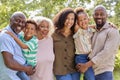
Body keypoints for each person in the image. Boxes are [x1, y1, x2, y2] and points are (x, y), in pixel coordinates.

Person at [76, 5, 120, 80]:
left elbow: (107, 52)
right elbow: (83, 26)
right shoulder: (92, 31)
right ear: (93, 16)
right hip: (90, 71)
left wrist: (86, 65)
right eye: (96, 14)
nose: (99, 16)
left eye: (102, 14)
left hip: (104, 72)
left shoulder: (112, 31)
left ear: (106, 15)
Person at [0, 12, 35, 80]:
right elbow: (9, 63)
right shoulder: (6, 36)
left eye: (23, 22)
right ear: (10, 20)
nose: (20, 24)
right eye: (17, 20)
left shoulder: (17, 36)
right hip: (10, 77)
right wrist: (27, 69)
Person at [52, 7, 80, 80]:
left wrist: (109, 24)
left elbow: (87, 28)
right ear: (62, 18)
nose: (69, 21)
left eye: (72, 19)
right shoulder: (53, 34)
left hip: (75, 70)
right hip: (60, 70)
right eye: (67, 18)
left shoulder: (76, 33)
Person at [73, 7, 95, 80]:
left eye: (85, 19)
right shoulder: (77, 31)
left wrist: (110, 24)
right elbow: (75, 24)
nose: (83, 21)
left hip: (90, 57)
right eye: (80, 20)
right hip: (81, 57)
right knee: (91, 78)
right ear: (77, 22)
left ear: (88, 19)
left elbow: (99, 26)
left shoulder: (91, 30)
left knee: (89, 77)